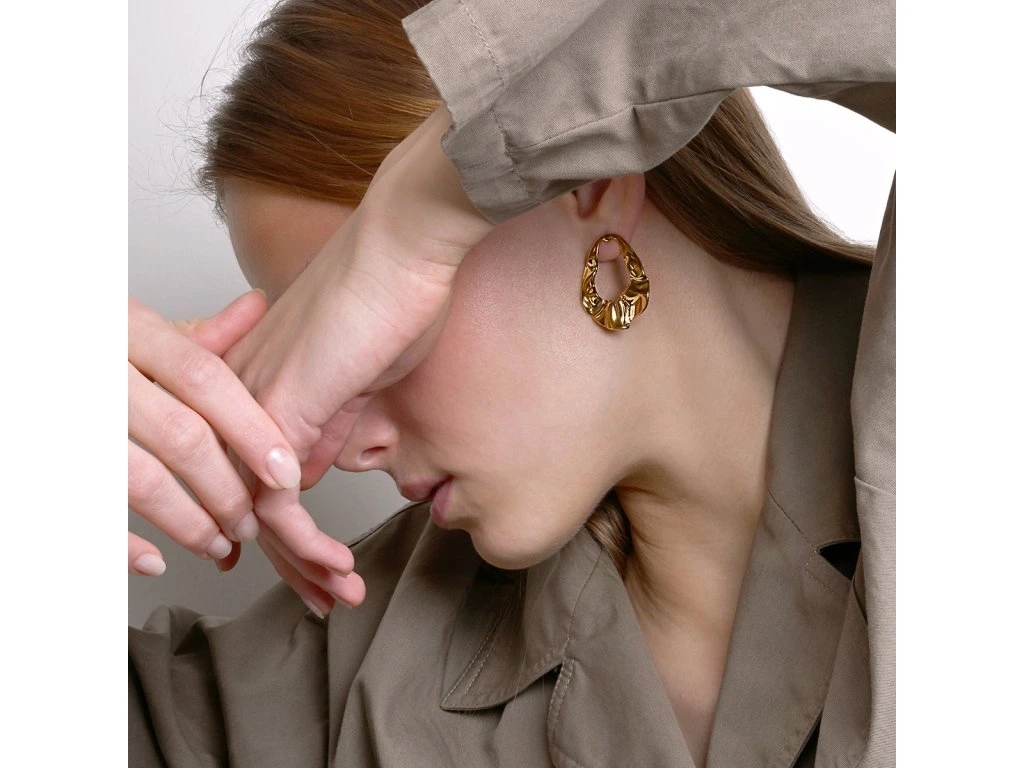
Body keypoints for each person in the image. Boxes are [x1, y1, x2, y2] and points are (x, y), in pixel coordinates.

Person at [129, 0, 895, 766]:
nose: (340, 449)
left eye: (365, 324)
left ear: (585, 184)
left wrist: (417, 211)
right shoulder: (353, 654)